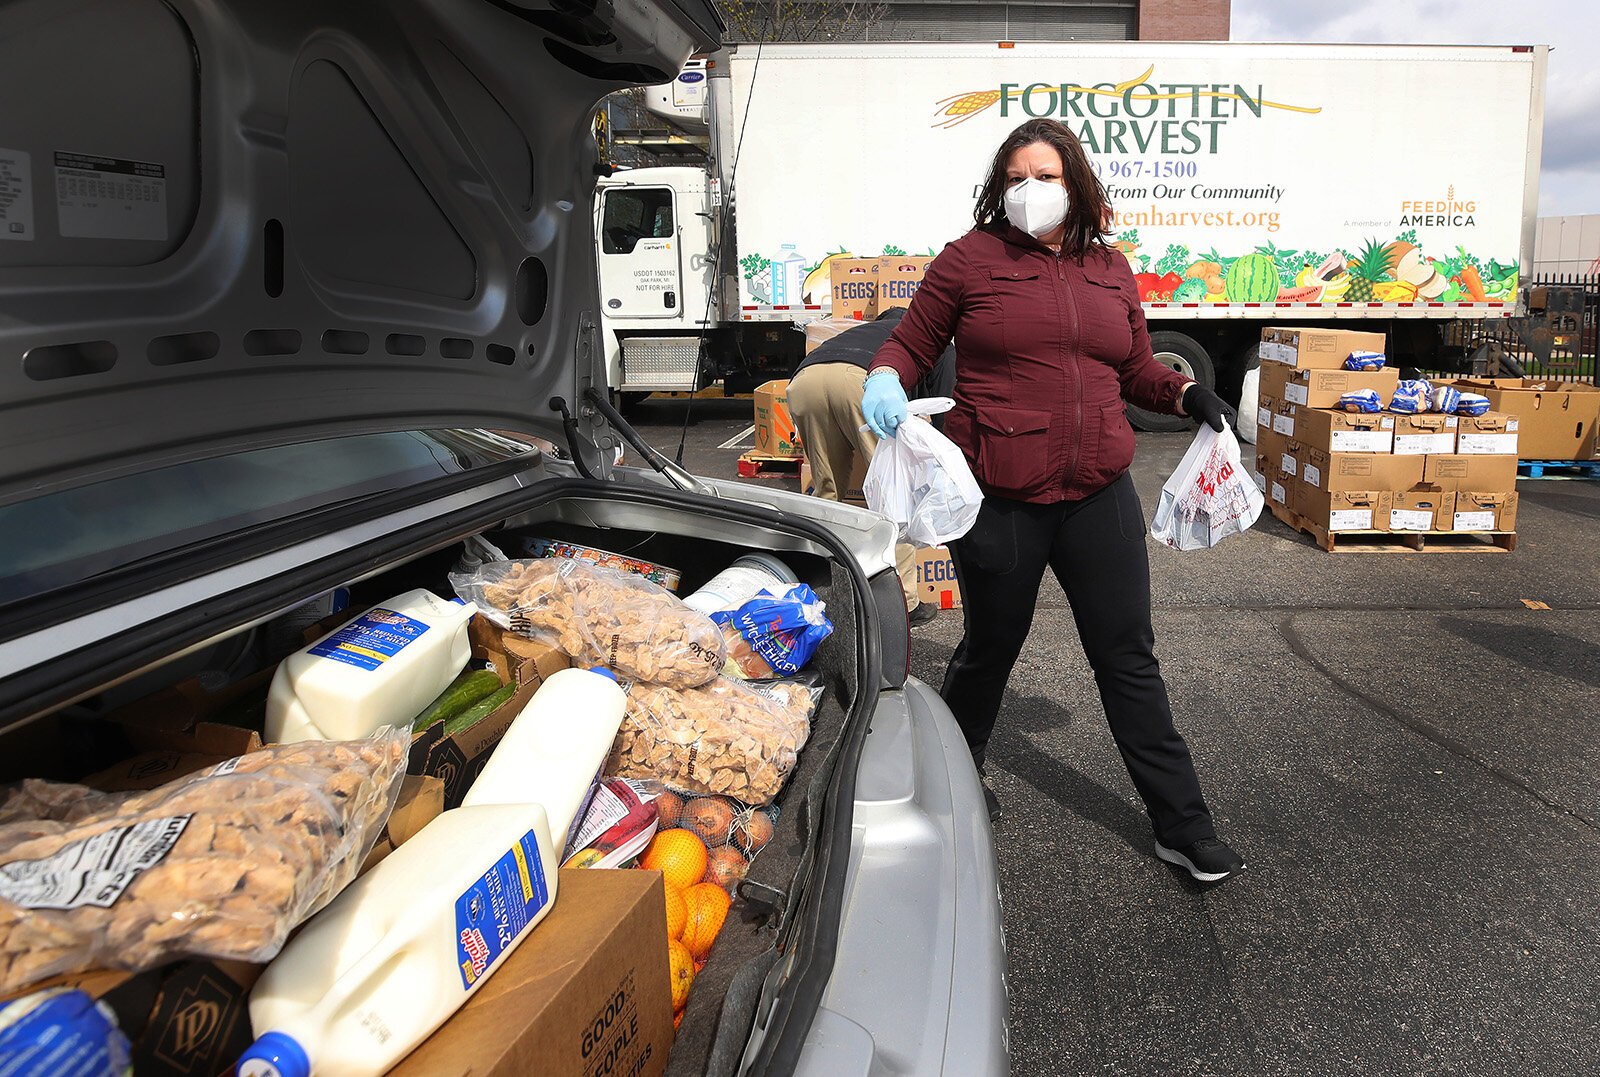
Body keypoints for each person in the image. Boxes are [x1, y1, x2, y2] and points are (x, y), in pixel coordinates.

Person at [861, 117, 1244, 884]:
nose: (1029, 190)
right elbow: (911, 341)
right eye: (1015, 178)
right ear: (998, 187)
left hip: (1098, 492)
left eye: (1045, 176)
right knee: (990, 649)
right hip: (1003, 494)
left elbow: (1136, 368)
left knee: (1128, 655)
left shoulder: (1108, 268)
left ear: (1076, 184)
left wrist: (1186, 392)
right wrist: (884, 377)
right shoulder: (970, 260)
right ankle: (948, 787)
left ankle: (1184, 825)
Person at [787, 307, 955, 627]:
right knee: (896, 498)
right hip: (863, 382)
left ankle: (823, 589)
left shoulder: (858, 333)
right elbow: (948, 403)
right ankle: (905, 603)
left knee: (827, 494)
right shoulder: (931, 340)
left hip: (805, 381)